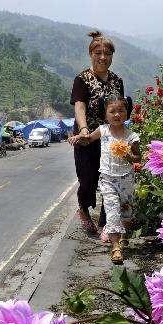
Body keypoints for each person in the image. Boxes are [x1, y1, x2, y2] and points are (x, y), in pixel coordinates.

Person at [69, 95, 141, 264]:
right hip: (107, 178)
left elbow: (138, 157)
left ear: (127, 113)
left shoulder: (132, 136)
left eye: (121, 110)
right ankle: (115, 247)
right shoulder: (103, 130)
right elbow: (88, 139)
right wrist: (78, 137)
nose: (117, 114)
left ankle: (123, 237)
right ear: (105, 114)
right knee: (112, 210)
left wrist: (129, 156)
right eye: (112, 111)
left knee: (126, 212)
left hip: (126, 179)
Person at [70, 30, 124, 235]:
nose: (103, 57)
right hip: (86, 139)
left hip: (109, 139)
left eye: (107, 53)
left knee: (109, 179)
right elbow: (80, 106)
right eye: (98, 53)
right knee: (87, 180)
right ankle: (83, 209)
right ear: (91, 54)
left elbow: (119, 109)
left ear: (112, 56)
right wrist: (84, 129)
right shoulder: (82, 79)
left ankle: (105, 221)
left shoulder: (117, 81)